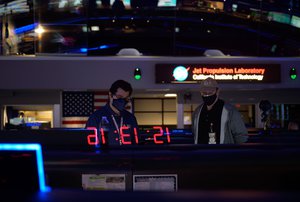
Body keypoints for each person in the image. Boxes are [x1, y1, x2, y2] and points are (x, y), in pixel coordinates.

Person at [192, 77, 248, 144]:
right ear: (200, 92)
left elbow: (241, 137)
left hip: (223, 153)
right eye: (204, 92)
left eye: (210, 91)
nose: (207, 94)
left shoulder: (230, 111)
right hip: (201, 153)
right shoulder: (197, 112)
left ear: (217, 91)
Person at [85, 80, 139, 146]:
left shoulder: (131, 118)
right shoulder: (96, 117)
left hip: (126, 155)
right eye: (119, 97)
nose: (122, 101)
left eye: (126, 99)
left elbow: (136, 143)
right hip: (105, 156)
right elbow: (89, 145)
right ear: (110, 95)